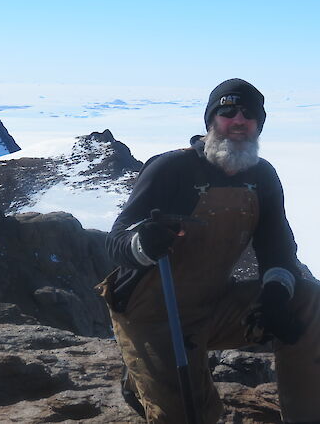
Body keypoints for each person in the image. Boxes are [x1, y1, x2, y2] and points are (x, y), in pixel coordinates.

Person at [100, 79, 320, 424]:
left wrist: (276, 295)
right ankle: (142, 373)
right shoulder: (171, 168)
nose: (238, 120)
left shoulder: (262, 177)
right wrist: (145, 241)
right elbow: (116, 242)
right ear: (210, 120)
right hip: (154, 314)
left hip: (214, 304)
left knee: (308, 298)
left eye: (249, 114)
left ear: (259, 125)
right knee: (188, 415)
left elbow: (278, 248)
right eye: (227, 111)